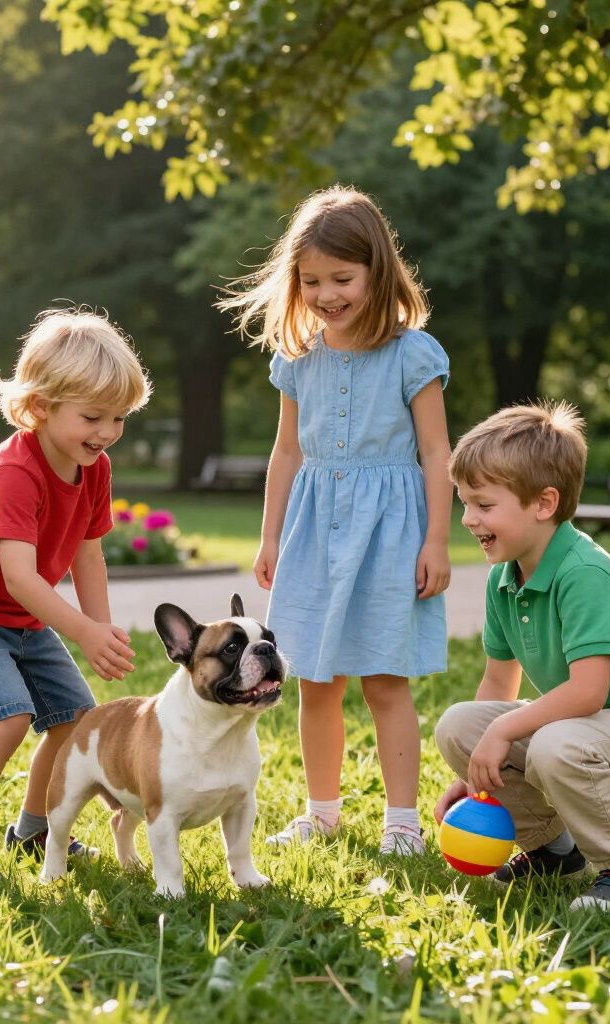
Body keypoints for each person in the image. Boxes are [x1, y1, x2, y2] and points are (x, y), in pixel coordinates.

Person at [219, 186, 453, 856]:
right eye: (312, 280)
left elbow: (437, 451)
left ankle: (401, 821)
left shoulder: (414, 355)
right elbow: (287, 451)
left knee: (385, 678)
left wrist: (437, 539)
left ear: (379, 271)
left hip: (391, 534)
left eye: (342, 279)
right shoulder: (298, 356)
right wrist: (269, 535)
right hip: (314, 531)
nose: (327, 294)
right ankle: (322, 812)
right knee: (313, 679)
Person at [0, 308, 152, 883]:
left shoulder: (92, 466)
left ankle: (32, 831)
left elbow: (87, 552)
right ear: (41, 407)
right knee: (7, 717)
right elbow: (19, 575)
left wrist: (103, 631)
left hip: (21, 615)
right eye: (93, 416)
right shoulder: (11, 473)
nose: (107, 432)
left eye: (119, 418)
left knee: (73, 717)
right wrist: (83, 632)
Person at [435, 402, 610, 911]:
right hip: (589, 723)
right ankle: (553, 852)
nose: (468, 519)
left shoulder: (584, 574)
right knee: (459, 725)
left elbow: (588, 691)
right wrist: (473, 771)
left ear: (543, 503)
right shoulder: (504, 577)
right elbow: (498, 683)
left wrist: (502, 734)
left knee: (554, 743)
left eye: (484, 505)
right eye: (464, 503)